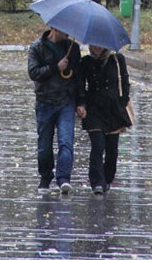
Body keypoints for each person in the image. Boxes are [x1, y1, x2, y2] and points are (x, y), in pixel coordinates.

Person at [28, 28, 86, 195]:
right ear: (54, 28)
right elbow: (34, 73)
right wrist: (56, 67)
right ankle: (45, 178)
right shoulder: (37, 47)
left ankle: (64, 179)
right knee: (44, 146)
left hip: (66, 101)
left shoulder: (72, 48)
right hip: (45, 102)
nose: (67, 32)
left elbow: (78, 77)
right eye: (63, 29)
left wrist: (81, 102)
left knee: (66, 142)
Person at [79, 45, 132, 195]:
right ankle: (96, 182)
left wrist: (123, 101)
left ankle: (107, 178)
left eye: (99, 45)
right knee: (97, 145)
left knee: (112, 149)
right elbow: (81, 86)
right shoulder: (86, 62)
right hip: (94, 109)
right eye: (93, 45)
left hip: (113, 109)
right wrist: (81, 104)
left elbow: (125, 82)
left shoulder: (117, 59)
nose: (95, 48)